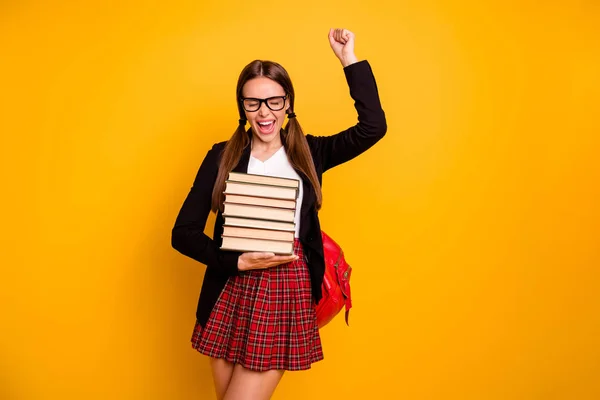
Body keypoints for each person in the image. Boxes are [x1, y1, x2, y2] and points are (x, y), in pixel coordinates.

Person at [171, 28, 387, 400]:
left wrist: (348, 58)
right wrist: (234, 263)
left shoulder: (311, 153)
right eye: (253, 103)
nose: (264, 112)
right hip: (228, 288)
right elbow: (183, 232)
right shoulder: (221, 156)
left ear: (288, 104)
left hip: (283, 289)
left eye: (274, 101)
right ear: (242, 107)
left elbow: (373, 127)